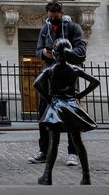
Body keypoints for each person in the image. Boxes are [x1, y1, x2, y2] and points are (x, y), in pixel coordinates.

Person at [28, 0, 87, 167]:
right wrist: (44, 53)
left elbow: (81, 51)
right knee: (44, 114)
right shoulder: (45, 29)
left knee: (71, 116)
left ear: (61, 13)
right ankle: (43, 151)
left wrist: (62, 53)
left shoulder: (73, 28)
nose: (52, 20)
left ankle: (72, 153)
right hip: (49, 76)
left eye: (55, 17)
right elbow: (38, 51)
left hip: (67, 76)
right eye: (50, 17)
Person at [33, 38, 100, 185]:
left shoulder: (50, 70)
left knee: (53, 142)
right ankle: (86, 176)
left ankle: (47, 176)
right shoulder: (75, 69)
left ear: (55, 55)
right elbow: (95, 82)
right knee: (78, 142)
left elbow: (36, 84)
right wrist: (80, 95)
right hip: (72, 106)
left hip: (56, 106)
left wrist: (48, 97)